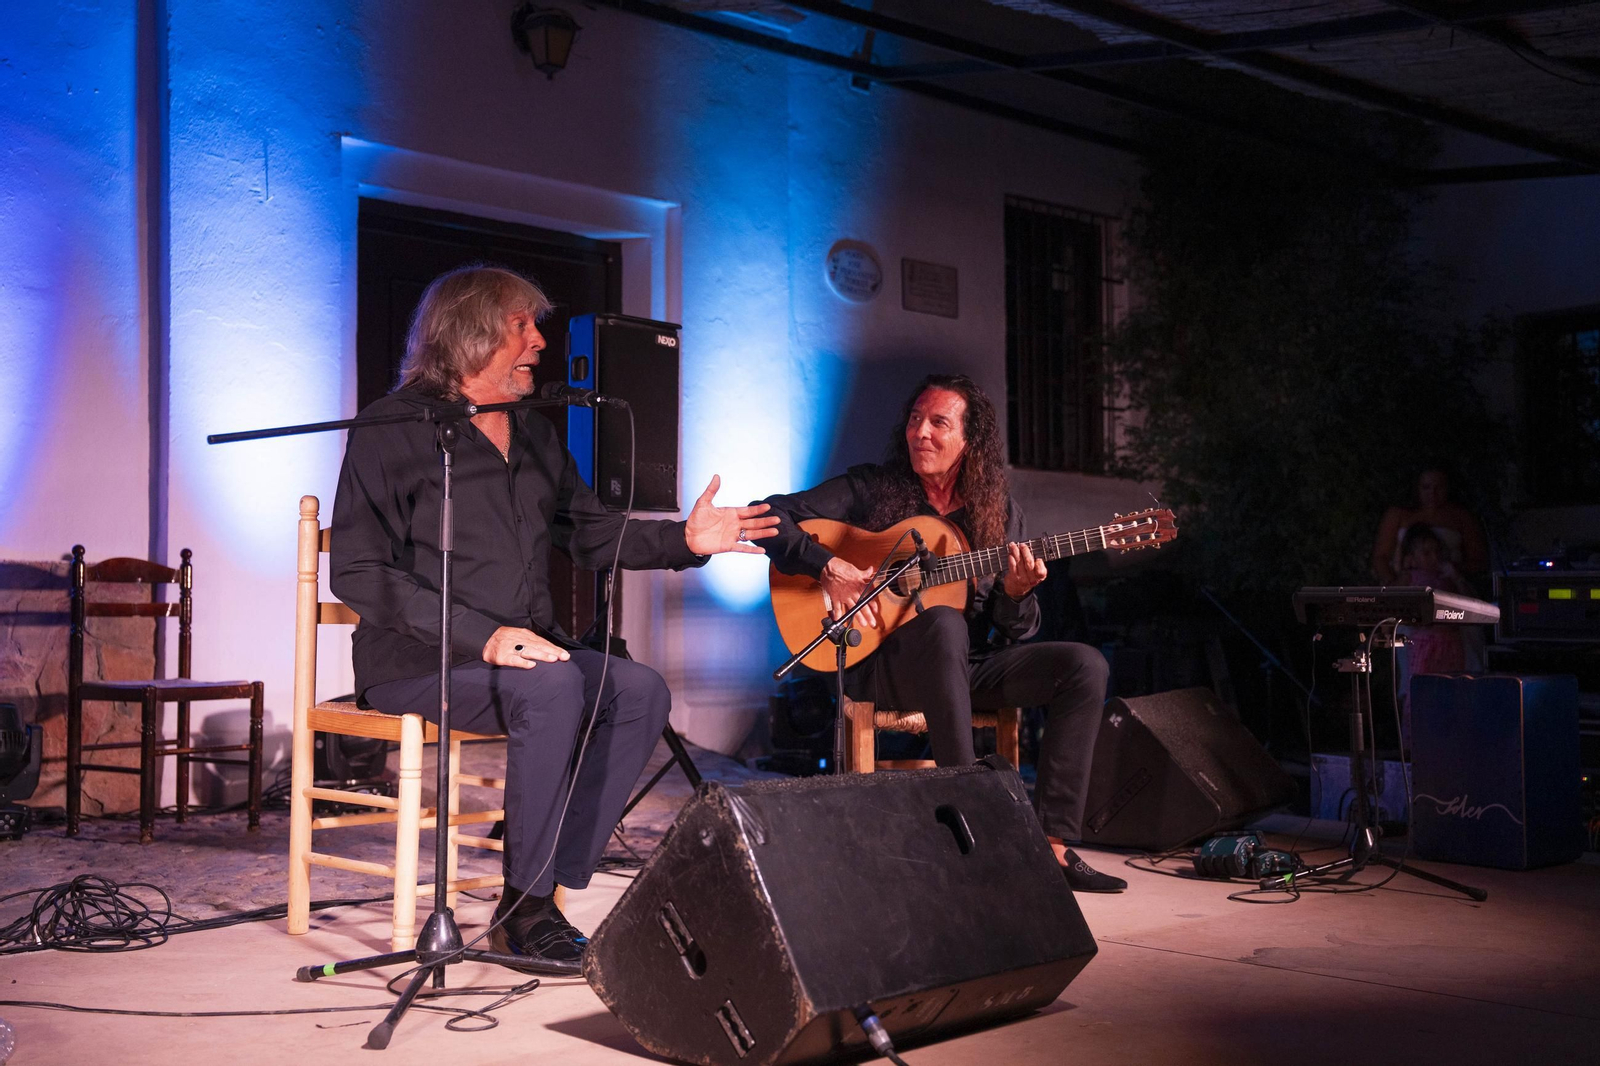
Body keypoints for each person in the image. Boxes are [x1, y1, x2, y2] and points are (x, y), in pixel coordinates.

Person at [331, 265, 779, 974]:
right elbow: (356, 570)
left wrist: (685, 542)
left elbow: (593, 533)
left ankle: (543, 885)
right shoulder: (395, 427)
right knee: (554, 684)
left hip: (529, 655)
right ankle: (529, 912)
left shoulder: (536, 436)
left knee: (638, 691)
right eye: (522, 326)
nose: (540, 342)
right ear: (472, 333)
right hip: (422, 661)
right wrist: (487, 637)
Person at [760, 374, 1124, 893]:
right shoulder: (872, 489)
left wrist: (1016, 595)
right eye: (914, 420)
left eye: (938, 423)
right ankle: (970, 812)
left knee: (1085, 666)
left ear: (969, 442)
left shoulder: (998, 515)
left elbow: (1014, 630)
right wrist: (827, 567)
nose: (920, 433)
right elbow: (771, 514)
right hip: (881, 667)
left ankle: (1054, 847)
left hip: (967, 667)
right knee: (944, 623)